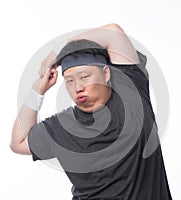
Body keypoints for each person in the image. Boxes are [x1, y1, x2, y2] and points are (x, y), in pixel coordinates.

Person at [10, 23, 172, 200]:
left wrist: (57, 52)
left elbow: (113, 33)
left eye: (85, 77)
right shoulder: (63, 128)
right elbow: (19, 142)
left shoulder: (132, 96)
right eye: (69, 81)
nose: (78, 87)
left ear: (106, 74)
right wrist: (36, 91)